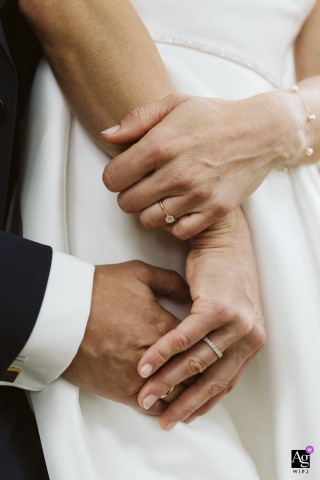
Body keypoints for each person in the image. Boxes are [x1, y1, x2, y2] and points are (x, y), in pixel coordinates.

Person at [17, 0, 320, 479]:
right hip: (121, 128)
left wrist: (284, 120)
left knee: (295, 455)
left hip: (274, 192)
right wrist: (217, 229)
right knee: (158, 430)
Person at [0, 3, 192, 478]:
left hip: (283, 220)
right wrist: (65, 313)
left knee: (299, 452)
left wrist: (284, 121)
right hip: (90, 228)